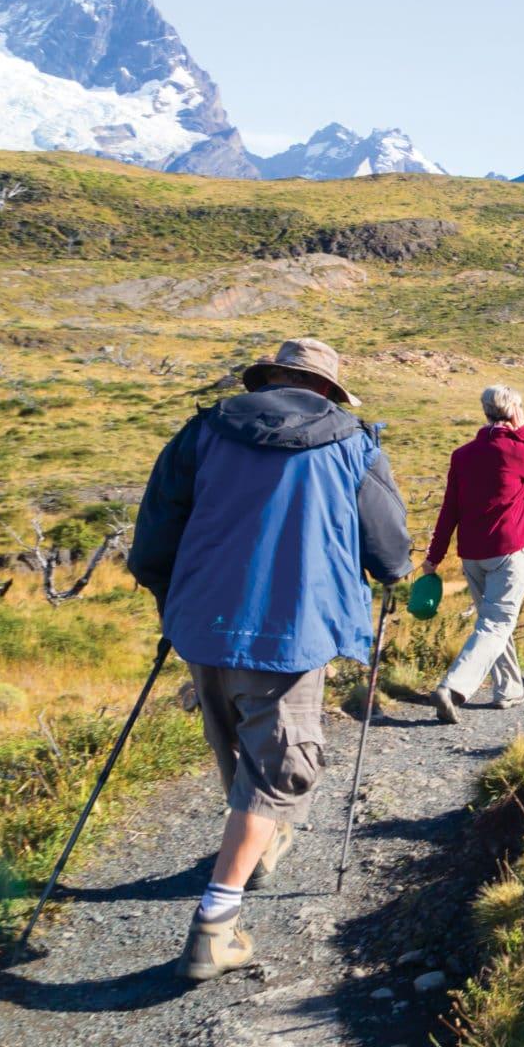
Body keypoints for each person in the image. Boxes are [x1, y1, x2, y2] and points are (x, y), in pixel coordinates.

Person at [130, 338, 411, 981]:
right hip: (292, 627)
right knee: (282, 767)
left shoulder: (203, 431)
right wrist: (392, 574)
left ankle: (254, 848)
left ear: (268, 381)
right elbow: (389, 545)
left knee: (234, 743)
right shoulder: (351, 442)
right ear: (326, 391)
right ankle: (215, 925)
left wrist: (171, 600)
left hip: (203, 617)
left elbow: (155, 535)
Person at [421, 385, 524, 723]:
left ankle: (508, 688)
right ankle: (453, 687)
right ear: (513, 412)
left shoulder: (463, 454)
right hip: (508, 551)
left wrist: (434, 557)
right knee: (497, 623)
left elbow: (448, 509)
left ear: (485, 412)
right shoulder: (515, 450)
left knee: (493, 623)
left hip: (472, 554)